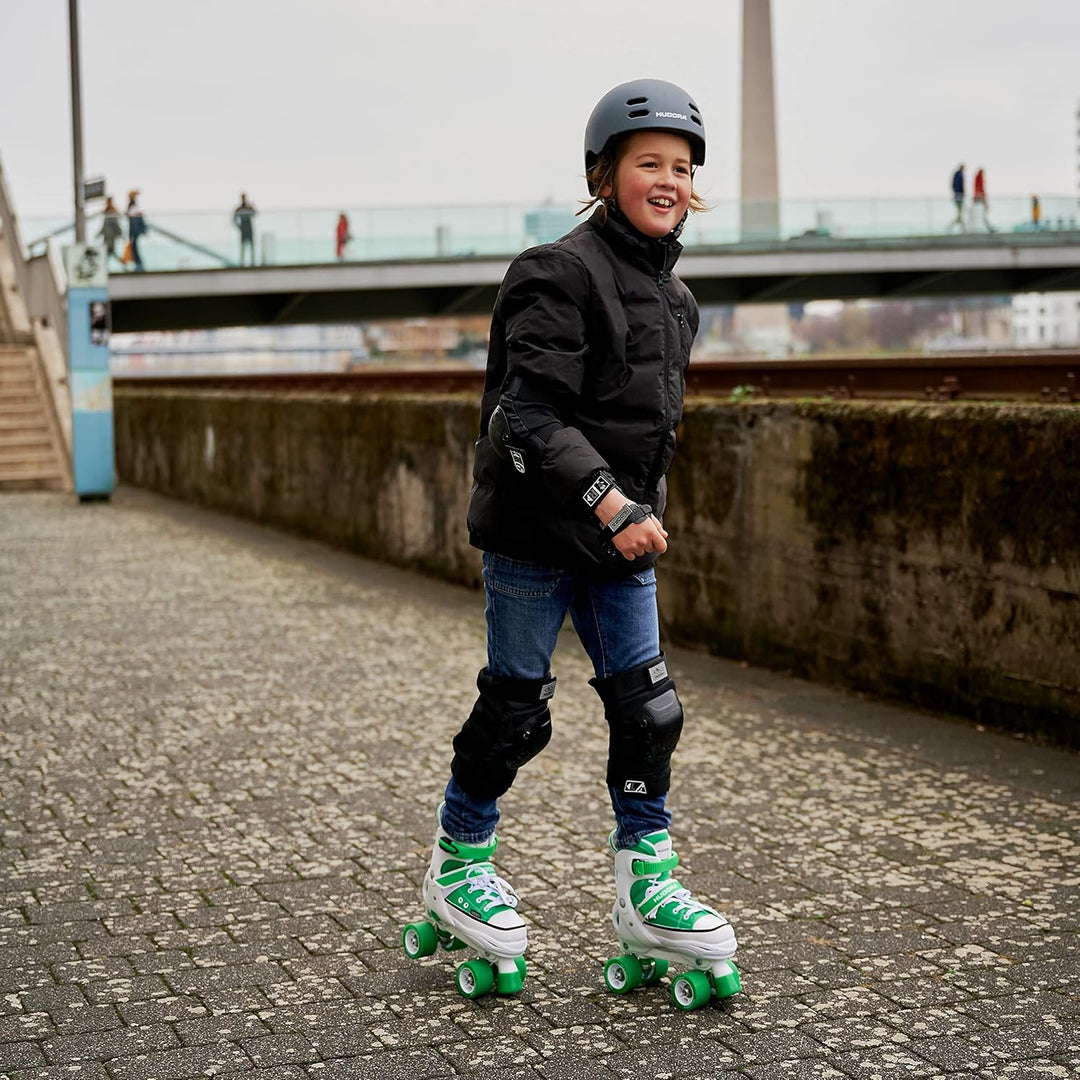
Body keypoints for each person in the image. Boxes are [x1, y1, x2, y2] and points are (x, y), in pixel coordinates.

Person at [409, 79, 739, 1007]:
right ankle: (458, 860)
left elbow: (648, 432)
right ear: (605, 175)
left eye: (681, 167)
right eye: (649, 165)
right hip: (534, 537)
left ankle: (648, 884)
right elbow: (525, 419)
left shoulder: (676, 301)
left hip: (617, 544)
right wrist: (611, 503)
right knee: (517, 711)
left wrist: (636, 511)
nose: (667, 181)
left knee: (649, 711)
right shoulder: (554, 272)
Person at [97, 196, 124, 267]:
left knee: (108, 252)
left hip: (111, 237)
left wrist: (120, 234)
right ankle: (122, 263)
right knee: (109, 252)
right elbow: (104, 226)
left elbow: (116, 225)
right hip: (107, 236)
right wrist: (98, 234)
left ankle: (104, 267)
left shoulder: (112, 212)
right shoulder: (107, 212)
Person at [126, 190, 147, 272]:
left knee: (134, 246)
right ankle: (138, 263)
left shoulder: (134, 205)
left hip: (135, 230)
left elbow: (134, 215)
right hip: (134, 229)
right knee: (134, 247)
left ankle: (139, 264)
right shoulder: (133, 205)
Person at [233, 193, 256, 266]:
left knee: (251, 246)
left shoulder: (248, 207)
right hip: (244, 229)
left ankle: (252, 263)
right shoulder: (239, 208)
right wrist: (240, 227)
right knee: (243, 247)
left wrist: (252, 207)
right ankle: (242, 263)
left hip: (249, 228)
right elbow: (234, 219)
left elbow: (255, 213)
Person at [972, 167, 994, 232]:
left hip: (978, 197)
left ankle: (988, 226)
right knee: (983, 214)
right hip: (980, 198)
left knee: (982, 214)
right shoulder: (979, 178)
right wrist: (984, 200)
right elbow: (980, 189)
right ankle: (988, 227)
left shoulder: (977, 177)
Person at [950, 164, 965, 231]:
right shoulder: (958, 174)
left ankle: (962, 227)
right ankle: (953, 226)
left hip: (959, 195)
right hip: (958, 195)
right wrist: (958, 193)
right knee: (960, 212)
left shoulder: (959, 174)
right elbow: (956, 185)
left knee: (960, 212)